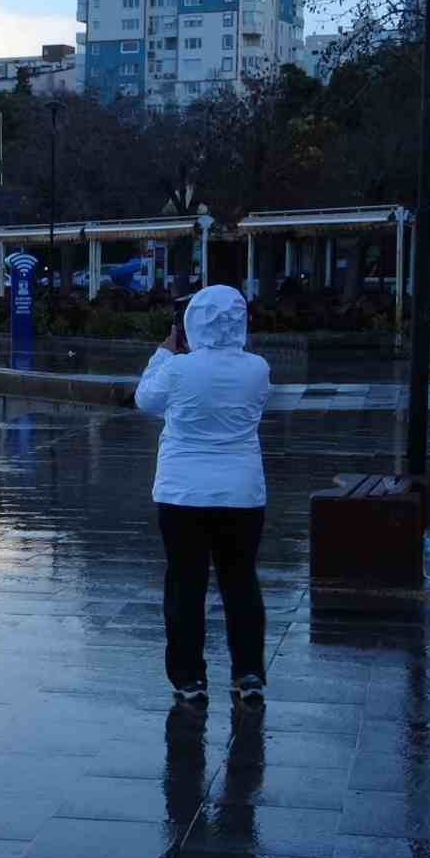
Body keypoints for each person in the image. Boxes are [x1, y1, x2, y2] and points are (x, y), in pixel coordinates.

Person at [135, 285, 271, 704]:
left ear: (190, 323)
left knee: (185, 583)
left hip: (182, 493)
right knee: (240, 581)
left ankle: (189, 678)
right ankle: (248, 672)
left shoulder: (178, 369)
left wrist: (164, 351)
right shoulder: (257, 368)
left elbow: (145, 400)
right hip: (242, 492)